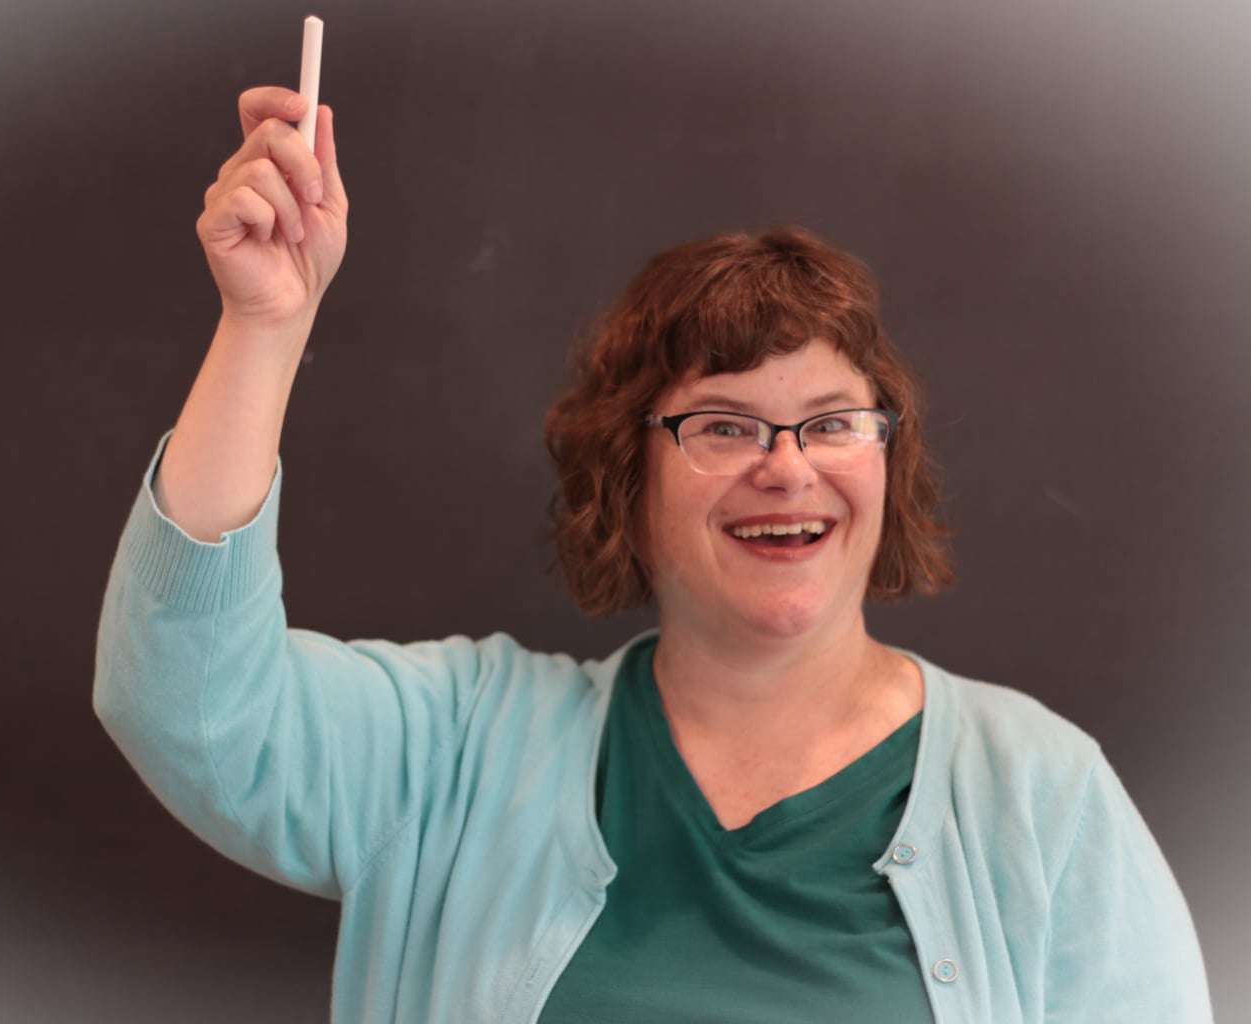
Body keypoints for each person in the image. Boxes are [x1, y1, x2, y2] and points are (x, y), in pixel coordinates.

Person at [94, 86, 1213, 1023]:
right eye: (721, 425)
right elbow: (187, 701)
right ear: (625, 482)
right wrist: (264, 324)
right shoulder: (454, 751)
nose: (788, 466)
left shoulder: (1044, 797)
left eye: (832, 421)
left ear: (886, 463)